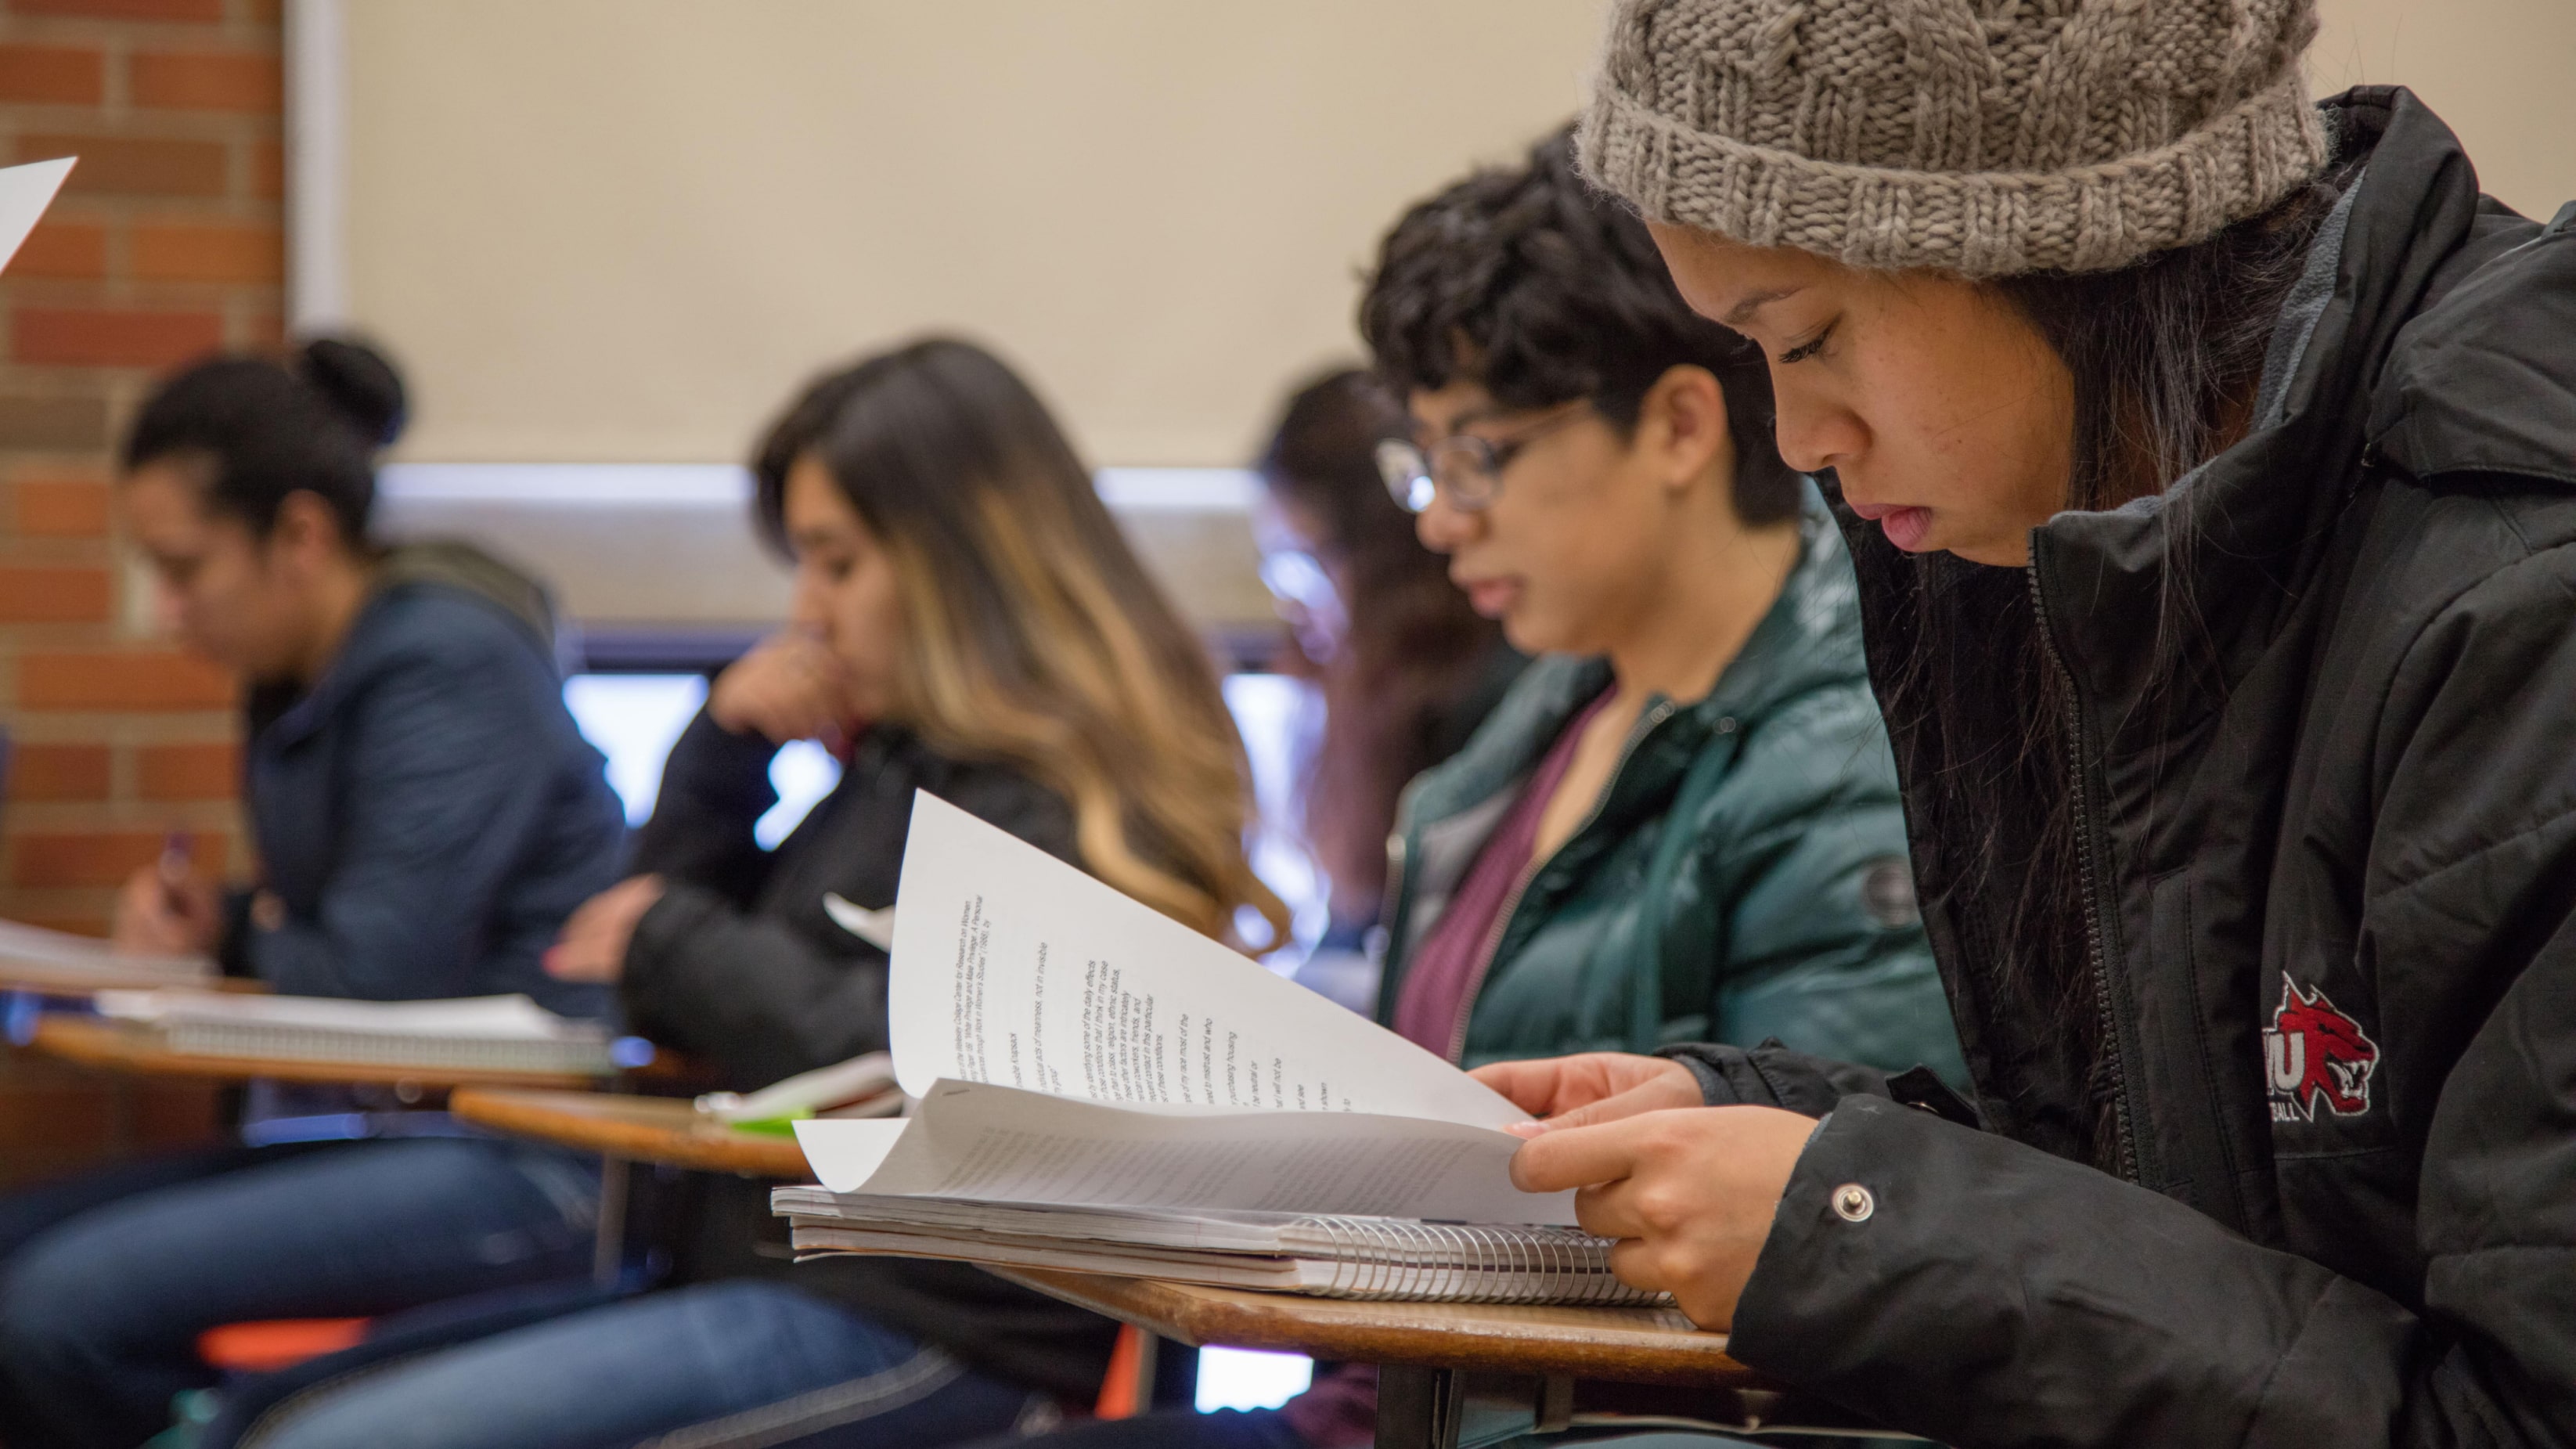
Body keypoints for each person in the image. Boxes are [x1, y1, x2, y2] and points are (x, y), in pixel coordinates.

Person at [1483, 3, 2576, 1444]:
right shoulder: (2073, 518)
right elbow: (2177, 1201)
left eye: (1806, 338)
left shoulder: (2514, 605)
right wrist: (1775, 1128)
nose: (1798, 435)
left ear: (2061, 245)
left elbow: (2512, 1415)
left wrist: (1858, 1229)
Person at [960, 127, 1968, 1449]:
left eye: (1476, 453)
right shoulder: (1538, 718)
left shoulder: (1840, 755)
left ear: (1674, 425)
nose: (1438, 517)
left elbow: (1818, 1256)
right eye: (1419, 461)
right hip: (1399, 1400)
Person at [216, 337, 1289, 1449]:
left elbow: (904, 1056)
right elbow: (625, 954)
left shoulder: (1071, 797)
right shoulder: (894, 767)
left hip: (935, 1325)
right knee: (266, 1417)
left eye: (835, 562)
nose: (807, 611)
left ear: (958, 564)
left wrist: (670, 941)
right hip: (756, 1271)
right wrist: (719, 754)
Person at [0, 340, 629, 1448]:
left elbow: (370, 982)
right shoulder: (304, 671)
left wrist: (251, 936)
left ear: (299, 536)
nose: (164, 610)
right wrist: (232, 923)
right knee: (17, 1253)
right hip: (404, 1125)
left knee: (53, 1311)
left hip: (535, 1153)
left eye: (185, 568)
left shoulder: (444, 660)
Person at [1250, 367, 1521, 1001]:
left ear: (1387, 563)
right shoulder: (1380, 719)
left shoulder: (1484, 722)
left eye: (1302, 562)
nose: (1293, 609)